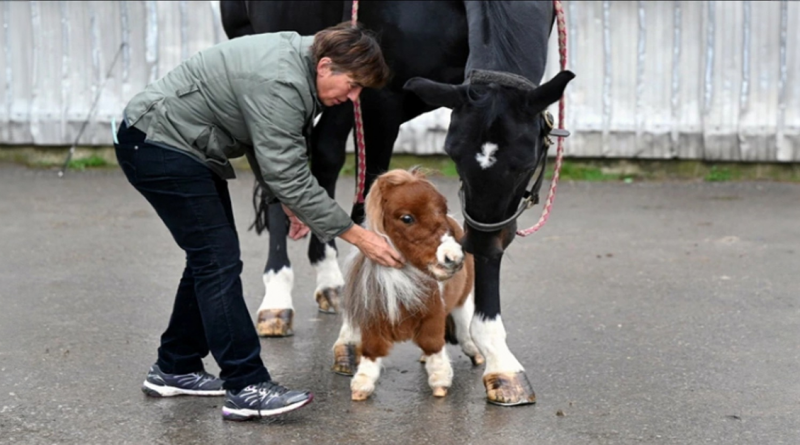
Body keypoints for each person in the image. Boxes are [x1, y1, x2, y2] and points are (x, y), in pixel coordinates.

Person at [113, 22, 403, 421]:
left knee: (209, 260)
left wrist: (287, 202)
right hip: (159, 145)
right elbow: (287, 171)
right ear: (325, 66)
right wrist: (358, 237)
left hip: (175, 145)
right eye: (352, 85)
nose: (353, 97)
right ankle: (246, 385)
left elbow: (268, 142)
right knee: (217, 262)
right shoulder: (282, 81)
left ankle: (175, 366)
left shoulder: (298, 65)